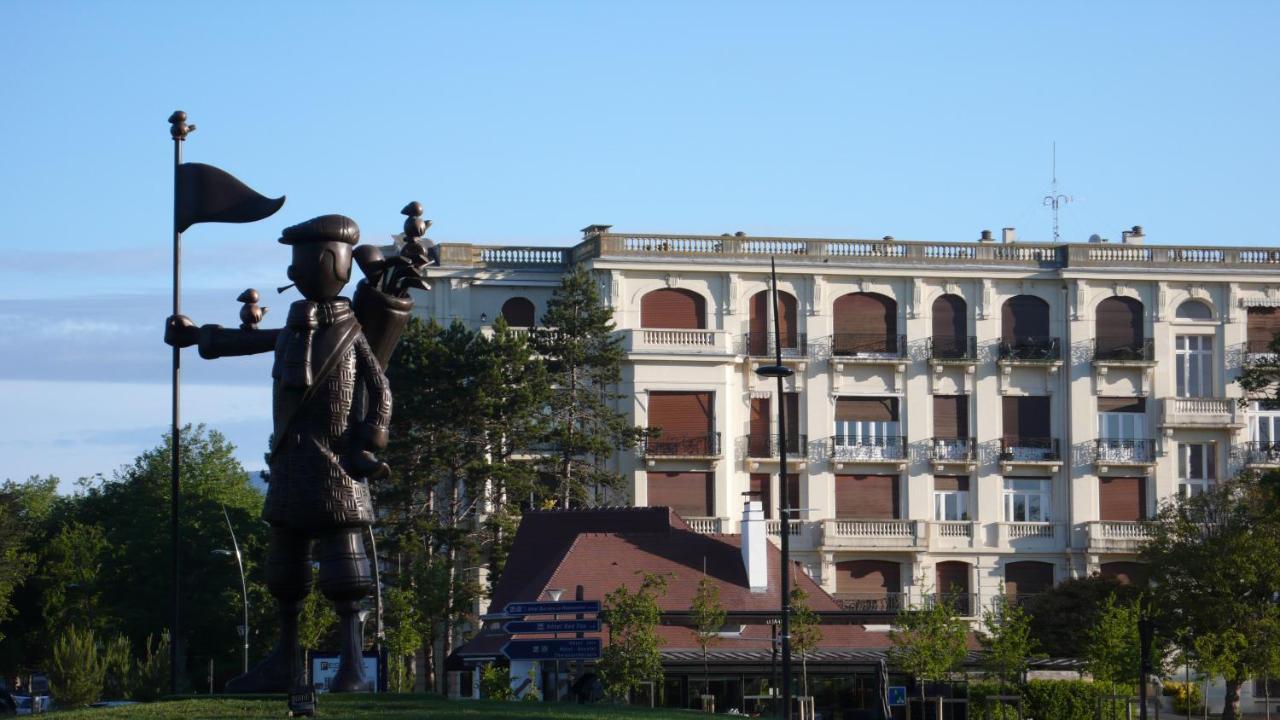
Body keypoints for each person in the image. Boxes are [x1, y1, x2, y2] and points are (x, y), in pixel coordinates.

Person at [165, 214, 412, 694]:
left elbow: (380, 388)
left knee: (345, 567)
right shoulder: (296, 328)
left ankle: (353, 666)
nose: (294, 272)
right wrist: (198, 338)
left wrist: (372, 436)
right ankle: (284, 660)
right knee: (285, 566)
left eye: (301, 260)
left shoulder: (349, 331)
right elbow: (250, 341)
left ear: (329, 262)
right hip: (291, 460)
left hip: (336, 462)